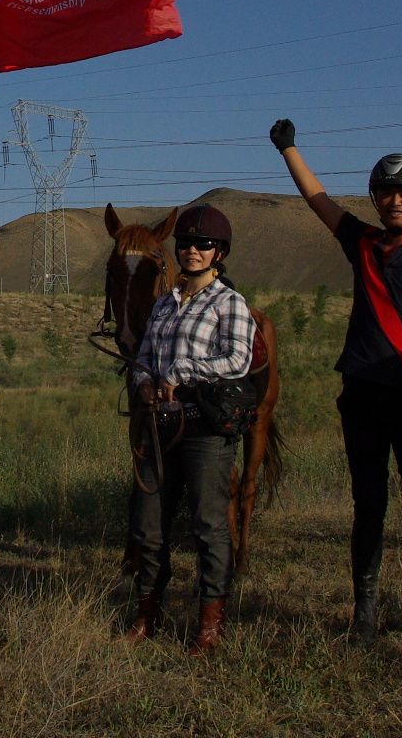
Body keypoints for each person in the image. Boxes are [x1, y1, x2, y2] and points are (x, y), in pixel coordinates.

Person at [270, 119, 402, 642]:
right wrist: (289, 150)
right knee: (368, 505)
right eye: (386, 192)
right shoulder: (362, 243)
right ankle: (363, 616)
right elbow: (318, 200)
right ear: (376, 199)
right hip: (362, 397)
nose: (395, 201)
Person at [120, 204, 256, 655]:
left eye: (204, 244)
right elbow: (144, 358)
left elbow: (238, 358)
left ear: (220, 253)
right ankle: (146, 615)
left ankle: (209, 624)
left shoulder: (229, 303)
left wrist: (181, 373)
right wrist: (142, 383)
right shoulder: (164, 304)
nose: (193, 250)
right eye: (186, 243)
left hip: (203, 430)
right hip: (159, 429)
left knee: (208, 524)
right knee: (148, 526)